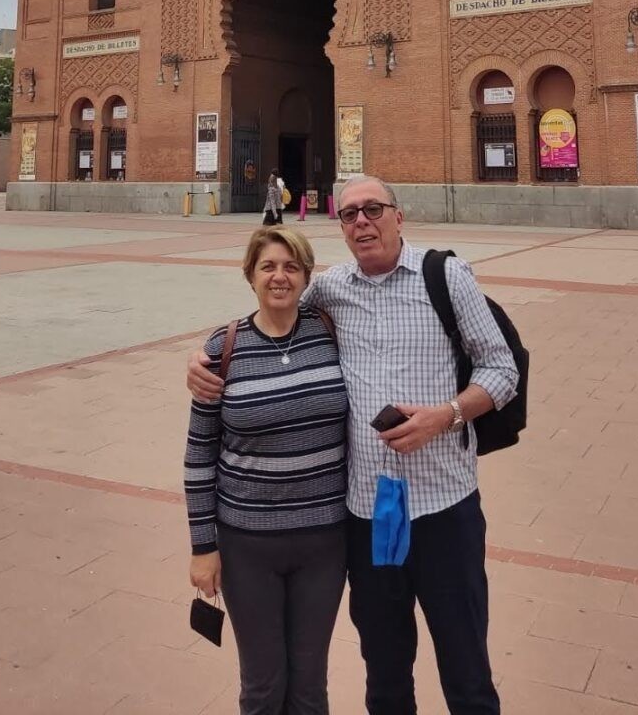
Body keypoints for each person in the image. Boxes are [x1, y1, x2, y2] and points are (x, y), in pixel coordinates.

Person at [189, 175, 517, 715]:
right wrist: (199, 358)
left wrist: (448, 415)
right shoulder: (332, 289)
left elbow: (502, 369)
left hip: (443, 510)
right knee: (385, 672)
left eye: (373, 210)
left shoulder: (447, 276)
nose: (362, 221)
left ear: (399, 215)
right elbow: (275, 302)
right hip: (368, 518)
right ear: (340, 229)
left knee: (466, 670)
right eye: (349, 215)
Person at [185, 226, 348, 715]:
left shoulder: (331, 332)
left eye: (291, 266)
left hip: (324, 540)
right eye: (268, 267)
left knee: (309, 684)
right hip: (247, 545)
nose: (280, 277)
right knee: (262, 685)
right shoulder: (223, 347)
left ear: (306, 276)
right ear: (249, 276)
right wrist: (203, 548)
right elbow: (199, 455)